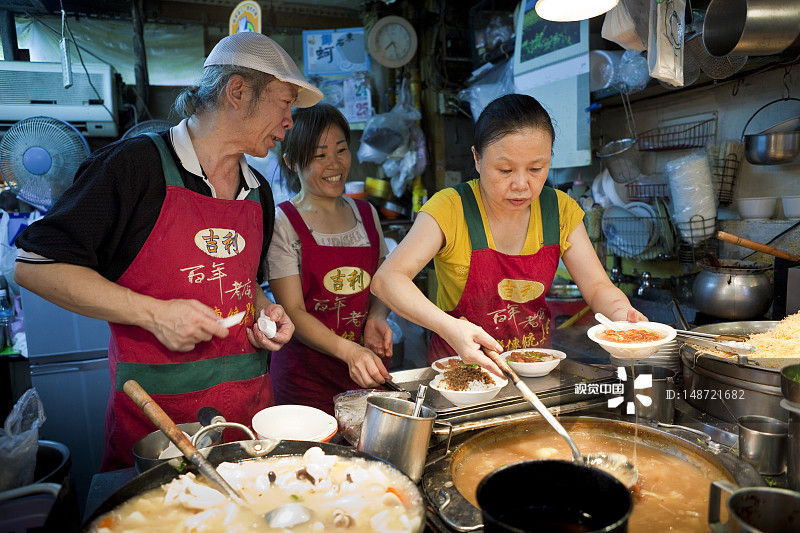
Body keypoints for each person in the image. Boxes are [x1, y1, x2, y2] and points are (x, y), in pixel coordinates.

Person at [13, 32, 323, 471]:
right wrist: (154, 314)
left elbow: (243, 280)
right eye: (285, 102)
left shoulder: (260, 191)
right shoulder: (132, 166)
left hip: (249, 425)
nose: (290, 120)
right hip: (158, 432)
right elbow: (36, 266)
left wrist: (265, 309)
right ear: (237, 92)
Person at [371, 94, 646, 376]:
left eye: (536, 169)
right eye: (505, 169)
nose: (521, 184)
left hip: (535, 370)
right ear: (477, 158)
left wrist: (624, 318)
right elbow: (387, 280)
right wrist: (450, 328)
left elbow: (598, 288)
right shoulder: (450, 208)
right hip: (463, 377)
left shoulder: (560, 210)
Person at [267, 103, 392, 415]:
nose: (335, 164)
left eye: (341, 150)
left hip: (364, 367)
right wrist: (348, 351)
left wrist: (377, 316)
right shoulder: (283, 222)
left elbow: (385, 281)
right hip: (304, 378)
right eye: (320, 155)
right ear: (292, 162)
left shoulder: (366, 213)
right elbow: (292, 311)